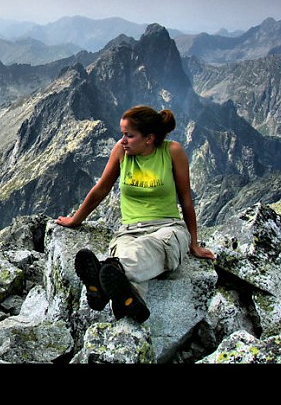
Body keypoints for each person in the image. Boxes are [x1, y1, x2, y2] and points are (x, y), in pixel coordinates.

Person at [56, 105, 216, 323]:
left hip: (167, 228)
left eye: (129, 136)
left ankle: (104, 279)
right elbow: (101, 189)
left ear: (149, 138)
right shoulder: (121, 152)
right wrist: (75, 220)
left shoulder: (172, 152)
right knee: (125, 266)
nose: (123, 140)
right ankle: (132, 306)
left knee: (143, 250)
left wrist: (194, 243)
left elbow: (186, 200)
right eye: (123, 134)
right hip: (130, 231)